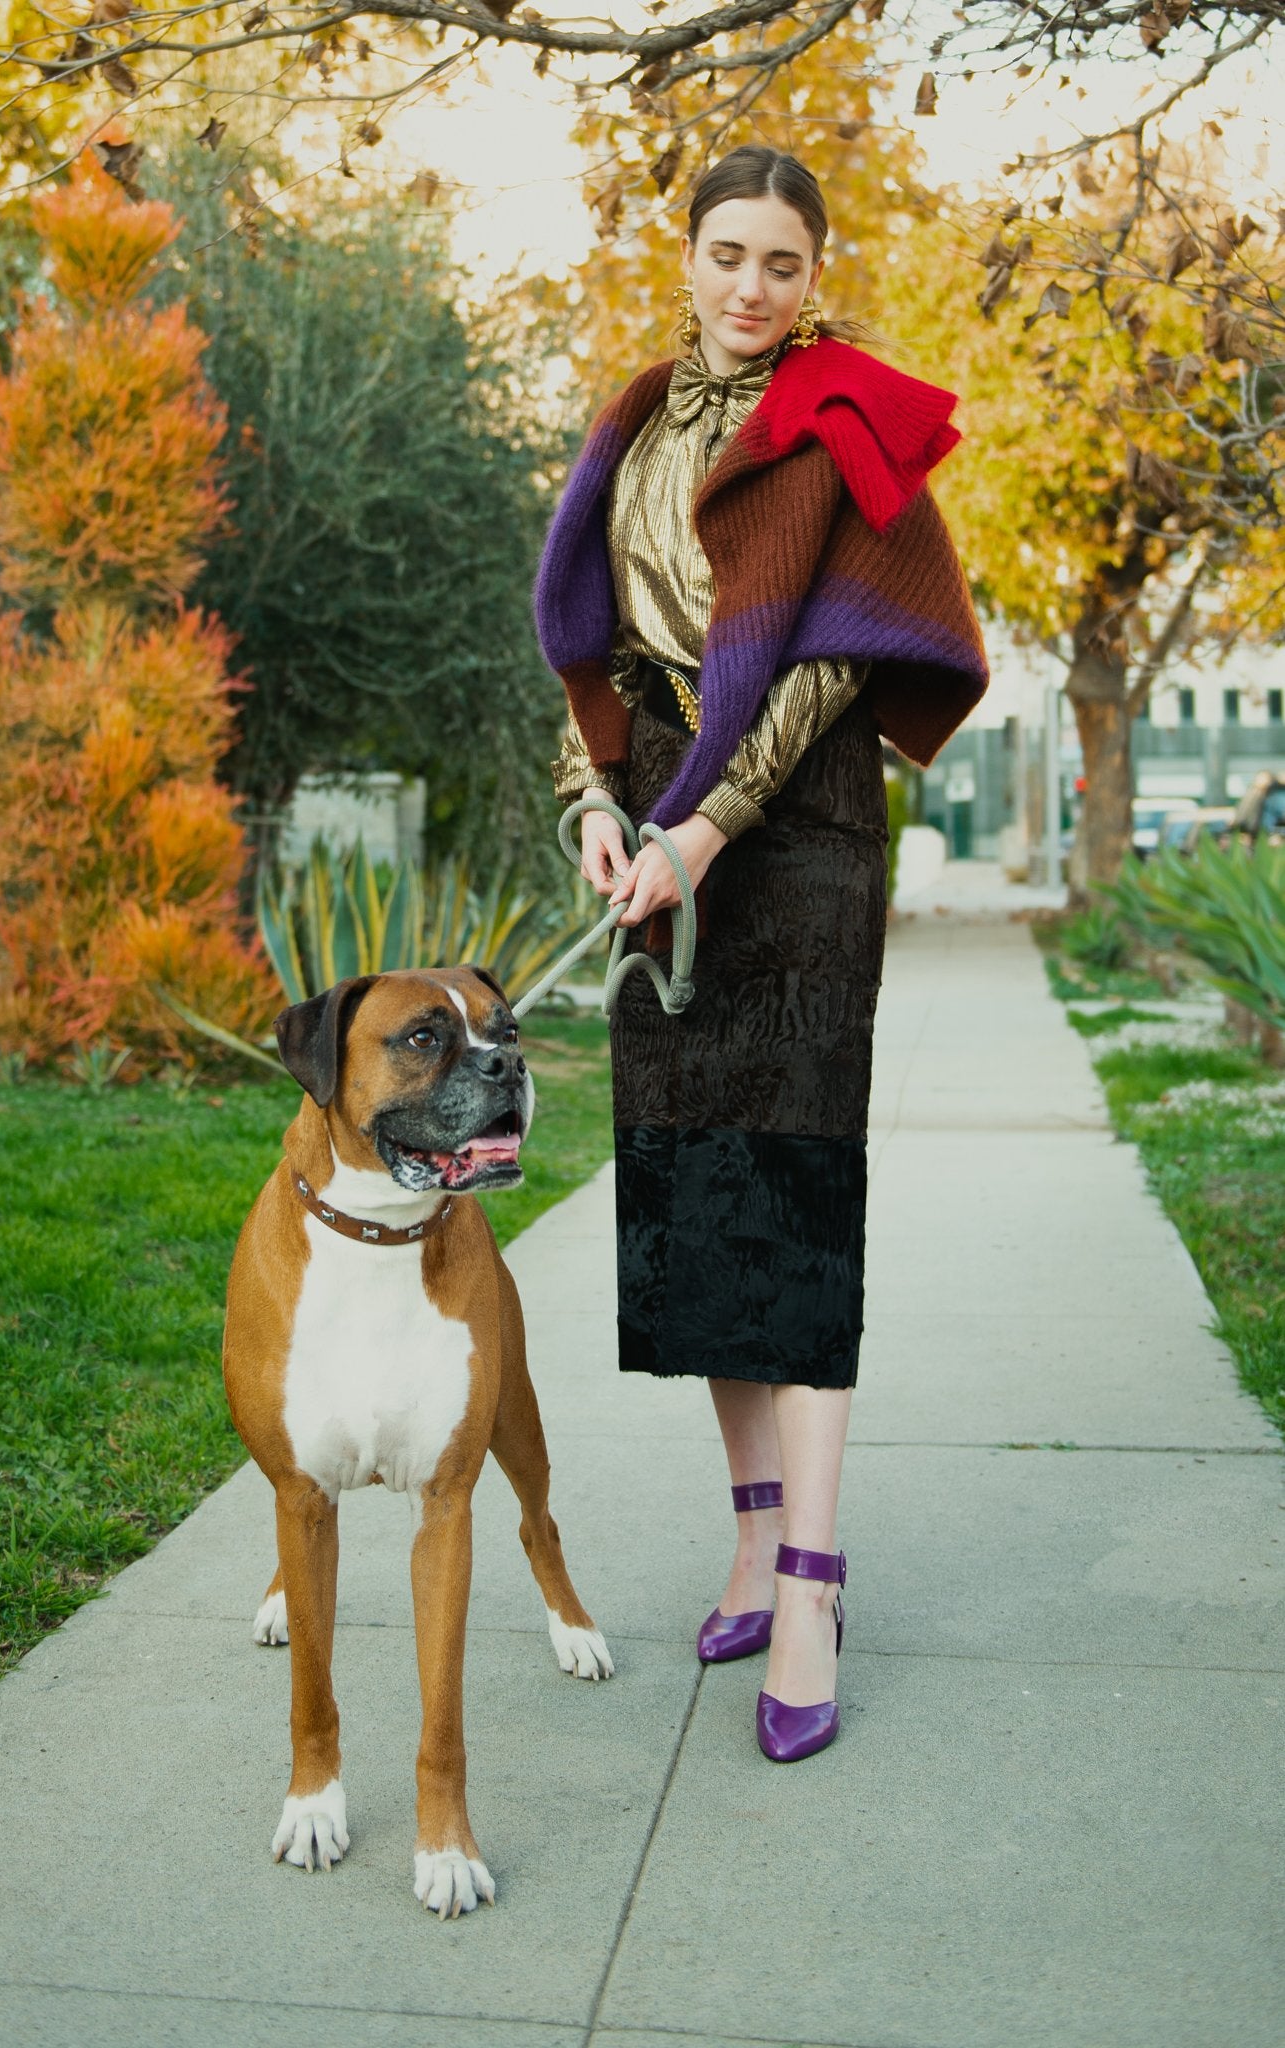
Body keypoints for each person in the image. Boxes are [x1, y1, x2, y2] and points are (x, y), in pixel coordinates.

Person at [534, 146, 987, 1761]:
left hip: (792, 838)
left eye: (781, 263)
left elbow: (816, 672)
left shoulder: (844, 423)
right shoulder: (631, 417)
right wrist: (598, 802)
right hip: (655, 810)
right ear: (690, 255)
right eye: (728, 253)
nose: (749, 287)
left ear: (815, 274)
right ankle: (746, 1531)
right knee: (696, 1188)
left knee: (791, 1196)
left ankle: (811, 1582)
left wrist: (701, 829)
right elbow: (581, 639)